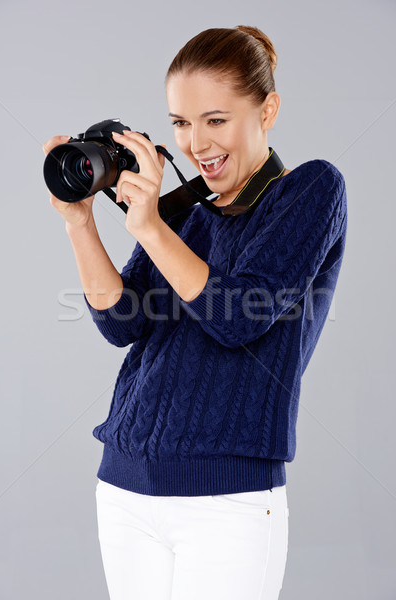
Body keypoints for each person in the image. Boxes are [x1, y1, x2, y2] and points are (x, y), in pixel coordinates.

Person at [43, 25, 347, 600]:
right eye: (181, 124)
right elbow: (121, 322)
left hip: (226, 502)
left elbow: (239, 316)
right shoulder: (186, 212)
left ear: (268, 109)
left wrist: (152, 225)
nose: (196, 143)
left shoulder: (310, 190)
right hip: (126, 489)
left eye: (216, 120)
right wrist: (79, 222)